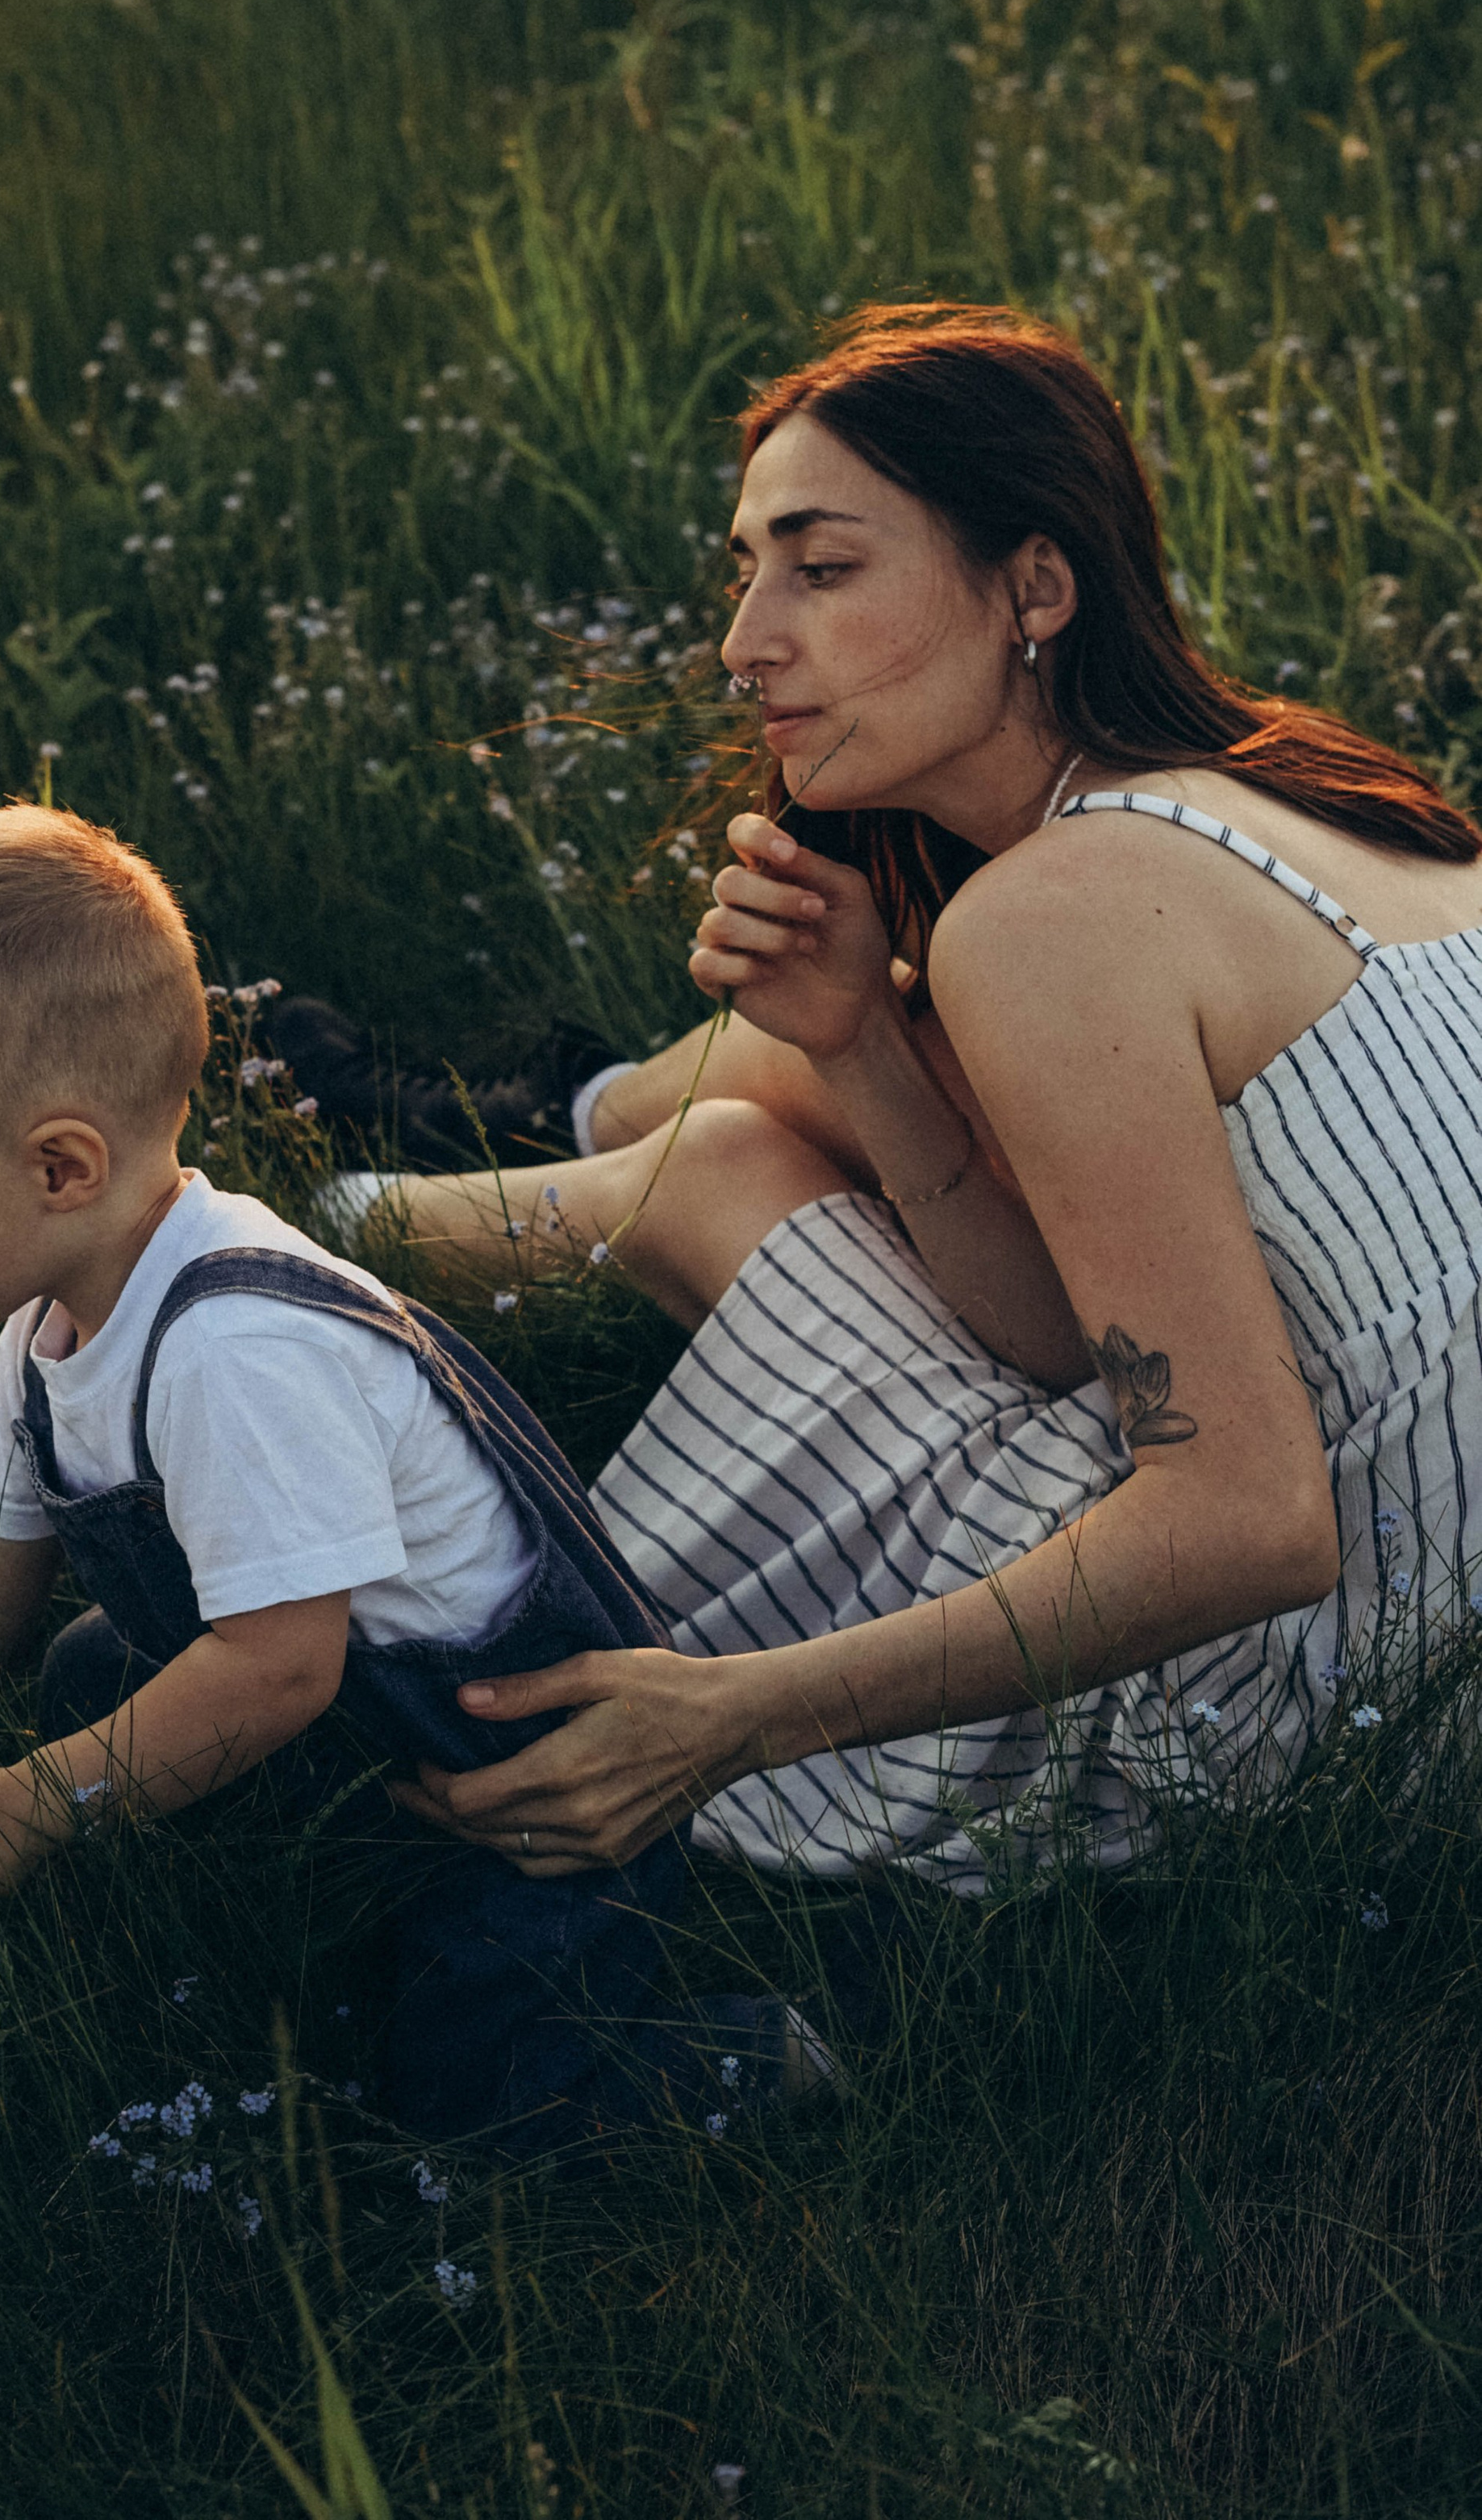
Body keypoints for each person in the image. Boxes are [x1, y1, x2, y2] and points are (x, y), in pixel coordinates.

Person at [339, 304, 1482, 1894]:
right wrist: (861, 1049)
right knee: (761, 1107)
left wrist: (733, 1719)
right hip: (1433, 1642)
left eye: (820, 568)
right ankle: (366, 1202)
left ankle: (309, 1243)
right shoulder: (1329, 802)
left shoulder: (1056, 917)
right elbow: (1079, 1348)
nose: (744, 644)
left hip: (1335, 1711)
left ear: (1034, 587)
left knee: (716, 1170)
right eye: (744, 574)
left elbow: (1246, 1520)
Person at [0, 806, 811, 2153]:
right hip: (362, 1716)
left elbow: (276, 1672)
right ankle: (308, 1883)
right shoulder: (52, 1320)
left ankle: (768, 2048)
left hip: (523, 1773)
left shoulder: (236, 1351)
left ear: (60, 1167)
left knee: (471, 2107)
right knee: (87, 1676)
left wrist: (30, 1803)